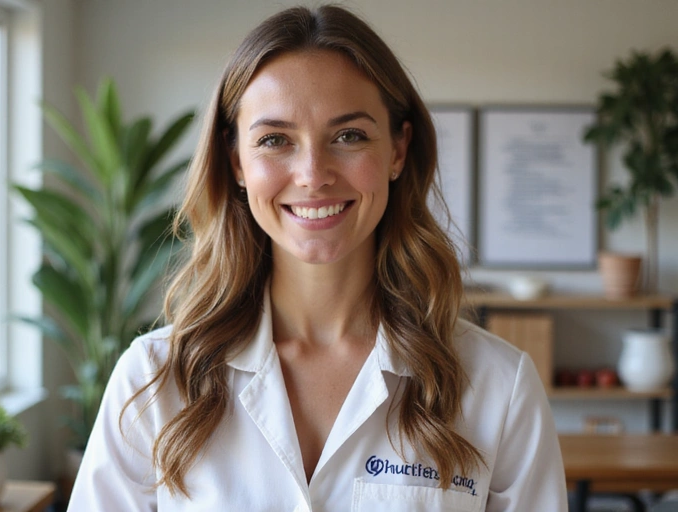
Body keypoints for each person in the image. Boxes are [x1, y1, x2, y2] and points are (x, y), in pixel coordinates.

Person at [67, 5, 567, 511]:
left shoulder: (498, 387)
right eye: (275, 140)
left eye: (349, 136)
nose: (312, 173)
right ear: (237, 160)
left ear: (397, 150)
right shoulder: (153, 382)